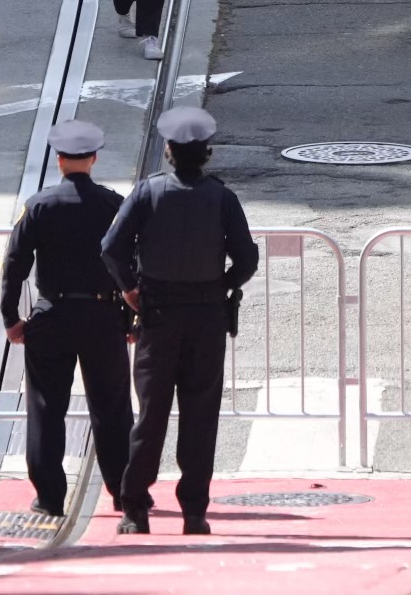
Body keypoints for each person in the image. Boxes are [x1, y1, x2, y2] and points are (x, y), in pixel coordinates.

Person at [101, 107, 258, 537]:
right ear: (206, 154)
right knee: (200, 416)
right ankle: (194, 511)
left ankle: (135, 508)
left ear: (169, 152)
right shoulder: (222, 197)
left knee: (151, 415)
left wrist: (131, 289)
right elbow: (247, 259)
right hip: (207, 315)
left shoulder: (148, 193)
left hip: (158, 315)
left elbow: (112, 248)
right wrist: (220, 285)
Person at [0, 119, 134, 520]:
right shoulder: (114, 204)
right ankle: (123, 491)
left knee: (46, 407)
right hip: (104, 314)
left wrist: (11, 317)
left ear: (59, 161)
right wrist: (129, 319)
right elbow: (130, 264)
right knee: (112, 408)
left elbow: (14, 265)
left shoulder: (39, 206)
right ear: (93, 159)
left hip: (52, 314)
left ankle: (50, 496)